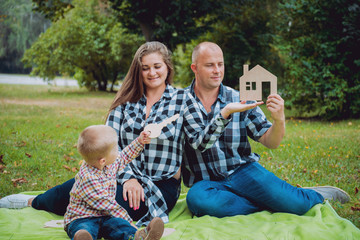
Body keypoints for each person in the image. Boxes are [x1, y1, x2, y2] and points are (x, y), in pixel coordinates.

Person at [0, 41, 260, 227]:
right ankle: (34, 201)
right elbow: (107, 146)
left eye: (157, 66)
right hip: (119, 175)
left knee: (110, 202)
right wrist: (127, 179)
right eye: (146, 68)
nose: (152, 73)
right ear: (139, 70)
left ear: (167, 68)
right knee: (79, 186)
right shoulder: (126, 103)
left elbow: (200, 142)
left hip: (161, 185)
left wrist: (224, 113)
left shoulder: (183, 100)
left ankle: (84, 222)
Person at [182, 41, 350, 218]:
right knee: (197, 200)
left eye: (220, 64)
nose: (217, 70)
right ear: (195, 68)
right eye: (210, 65)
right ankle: (269, 200)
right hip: (207, 183)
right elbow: (198, 144)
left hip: (242, 171)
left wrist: (279, 121)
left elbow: (271, 142)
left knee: (298, 205)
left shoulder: (240, 98)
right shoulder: (181, 103)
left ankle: (311, 195)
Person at [64, 125, 164, 240]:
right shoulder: (88, 178)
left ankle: (138, 236)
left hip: (105, 217)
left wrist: (140, 142)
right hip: (82, 217)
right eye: (115, 149)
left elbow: (124, 156)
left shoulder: (107, 164)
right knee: (85, 228)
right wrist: (130, 222)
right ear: (103, 160)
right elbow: (109, 206)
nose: (118, 151)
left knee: (118, 226)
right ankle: (83, 237)